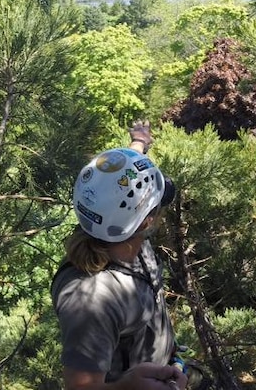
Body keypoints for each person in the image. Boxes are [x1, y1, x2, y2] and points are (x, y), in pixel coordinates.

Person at [51, 121, 187, 390]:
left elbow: (121, 184)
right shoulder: (92, 301)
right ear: (147, 221)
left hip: (164, 365)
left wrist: (139, 143)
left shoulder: (112, 225)